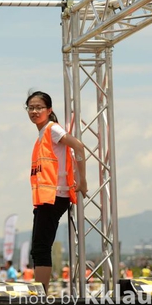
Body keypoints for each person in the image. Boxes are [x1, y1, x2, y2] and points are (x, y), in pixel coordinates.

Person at [27, 91, 87, 293]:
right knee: (39, 248)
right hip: (47, 198)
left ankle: (41, 295)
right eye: (31, 108)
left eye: (39, 107)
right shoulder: (42, 134)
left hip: (55, 196)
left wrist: (82, 180)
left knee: (41, 248)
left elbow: (78, 146)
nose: (34, 111)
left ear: (49, 110)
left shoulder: (52, 129)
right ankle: (41, 292)